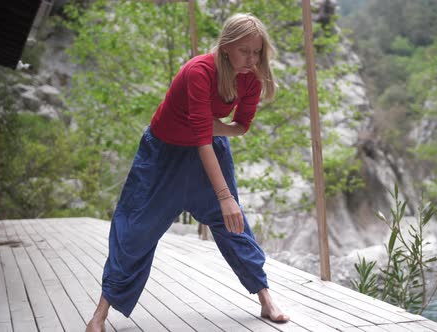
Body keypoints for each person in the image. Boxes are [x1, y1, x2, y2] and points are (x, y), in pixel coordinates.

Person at [86, 13, 289, 331]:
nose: (252, 59)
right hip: (161, 157)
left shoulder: (250, 78)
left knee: (235, 225)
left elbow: (241, 127)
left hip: (209, 152)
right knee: (135, 231)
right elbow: (200, 138)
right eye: (245, 51)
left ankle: (265, 298)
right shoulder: (200, 71)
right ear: (226, 48)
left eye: (258, 52)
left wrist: (217, 126)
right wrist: (224, 195)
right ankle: (100, 313)